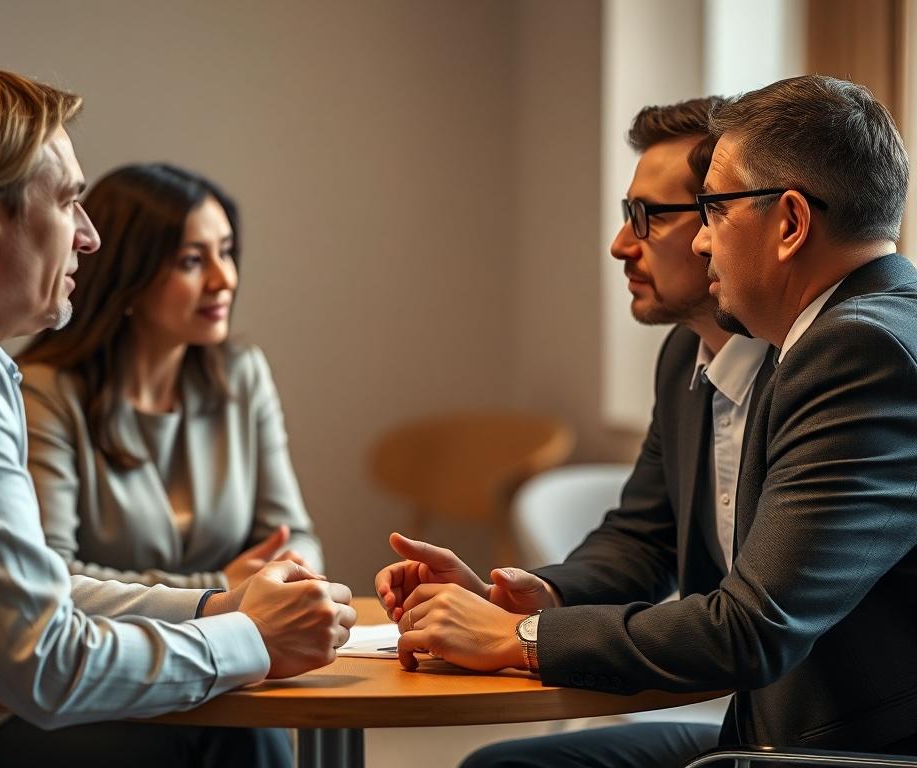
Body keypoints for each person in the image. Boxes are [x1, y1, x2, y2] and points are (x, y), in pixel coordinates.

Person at [379, 75, 917, 764]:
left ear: (788, 223)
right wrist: (526, 602)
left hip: (847, 752)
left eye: (714, 211)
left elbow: (751, 630)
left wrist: (516, 639)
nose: (699, 241)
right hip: (781, 731)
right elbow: (645, 540)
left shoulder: (856, 351)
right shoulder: (807, 339)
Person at [0, 63, 355, 768]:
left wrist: (223, 610)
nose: (89, 237)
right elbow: (45, 659)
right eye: (70, 203)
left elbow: (36, 582)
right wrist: (249, 635)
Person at [0, 162, 324, 765]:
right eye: (191, 261)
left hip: (209, 679)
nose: (224, 279)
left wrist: (292, 582)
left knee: (248, 734)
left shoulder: (243, 377)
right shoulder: (48, 391)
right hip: (60, 696)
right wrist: (227, 592)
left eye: (227, 252)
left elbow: (295, 535)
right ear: (128, 275)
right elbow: (52, 577)